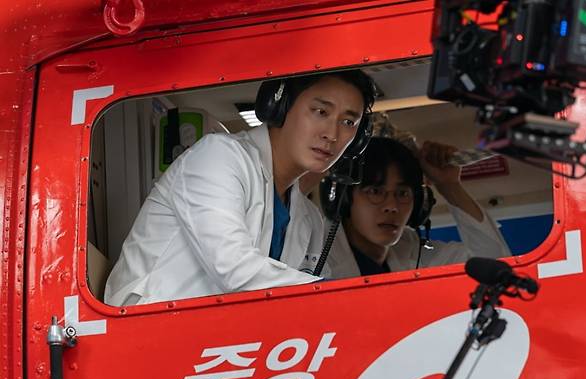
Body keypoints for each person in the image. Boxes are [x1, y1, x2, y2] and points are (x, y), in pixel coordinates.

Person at [104, 70, 376, 306]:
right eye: (321, 112)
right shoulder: (218, 156)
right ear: (281, 104)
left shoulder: (309, 217)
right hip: (143, 332)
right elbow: (233, 268)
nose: (331, 134)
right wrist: (336, 294)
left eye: (348, 122)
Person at [321, 136, 510, 279]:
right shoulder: (315, 250)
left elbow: (495, 268)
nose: (392, 206)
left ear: (419, 204)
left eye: (402, 193)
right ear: (344, 199)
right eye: (375, 191)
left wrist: (449, 186)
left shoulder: (410, 248)